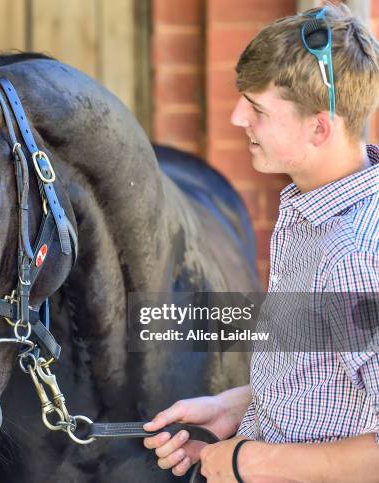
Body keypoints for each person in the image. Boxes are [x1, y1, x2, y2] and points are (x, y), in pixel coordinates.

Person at [144, 4, 379, 482]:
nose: (236, 118)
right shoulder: (309, 212)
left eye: (256, 108)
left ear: (319, 127)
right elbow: (328, 377)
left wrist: (250, 461)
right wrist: (232, 407)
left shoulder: (355, 255)